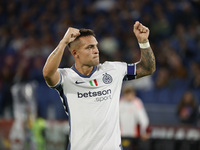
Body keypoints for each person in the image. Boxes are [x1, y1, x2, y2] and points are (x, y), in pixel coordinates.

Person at [43, 21, 155, 150]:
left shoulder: (113, 70)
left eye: (96, 46)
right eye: (89, 47)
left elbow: (147, 68)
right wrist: (63, 42)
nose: (96, 51)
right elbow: (47, 73)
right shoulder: (66, 78)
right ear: (75, 53)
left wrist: (144, 42)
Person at [120, 85, 150, 150]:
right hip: (123, 135)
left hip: (135, 135)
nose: (129, 96)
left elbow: (143, 119)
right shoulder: (120, 103)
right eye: (127, 94)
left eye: (130, 93)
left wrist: (144, 132)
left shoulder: (137, 102)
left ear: (133, 93)